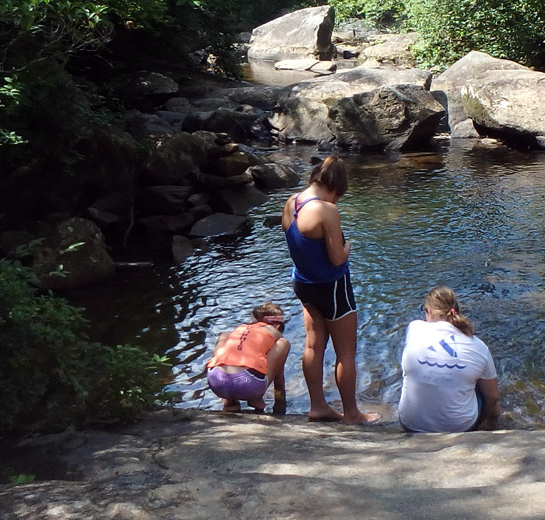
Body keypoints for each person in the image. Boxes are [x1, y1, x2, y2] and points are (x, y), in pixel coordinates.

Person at [281, 155, 378, 425]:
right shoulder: (326, 210)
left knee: (313, 345)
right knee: (346, 352)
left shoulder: (292, 203)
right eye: (339, 195)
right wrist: (349, 246)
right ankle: (352, 414)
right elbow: (337, 258)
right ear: (335, 188)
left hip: (303, 284)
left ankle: (318, 407)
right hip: (332, 287)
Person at [398, 286, 501, 433]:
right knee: (478, 382)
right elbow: (493, 398)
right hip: (459, 428)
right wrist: (491, 420)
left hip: (410, 424)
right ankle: (485, 427)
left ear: (428, 312)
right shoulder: (478, 346)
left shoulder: (414, 328)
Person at [206, 302, 290, 414]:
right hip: (248, 385)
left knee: (224, 336)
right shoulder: (274, 332)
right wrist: (280, 402)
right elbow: (278, 378)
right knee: (284, 343)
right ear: (278, 326)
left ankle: (229, 401)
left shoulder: (239, 328)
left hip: (216, 383)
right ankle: (256, 398)